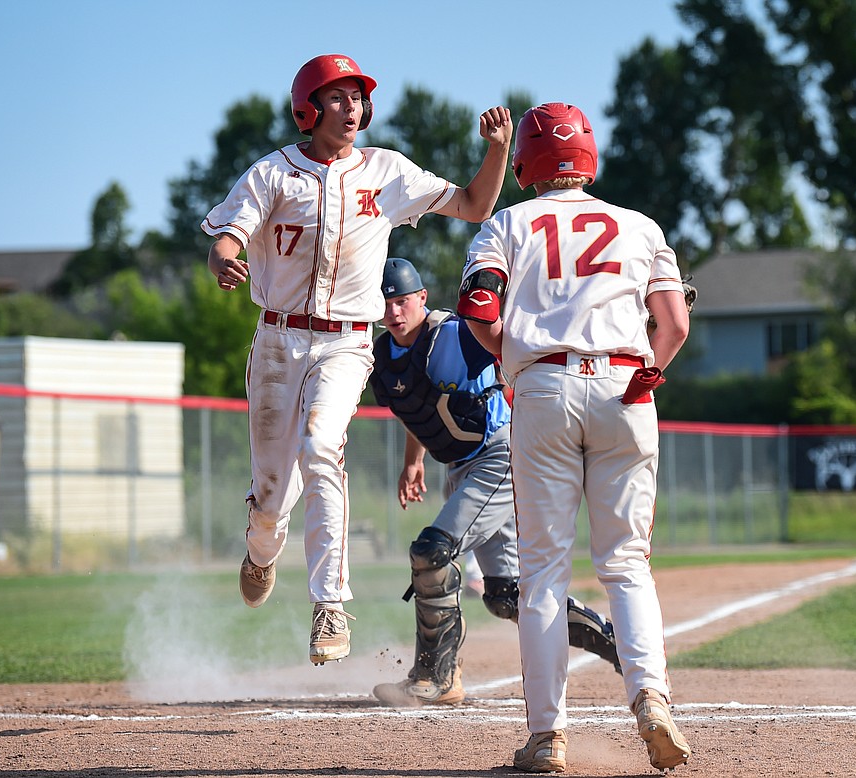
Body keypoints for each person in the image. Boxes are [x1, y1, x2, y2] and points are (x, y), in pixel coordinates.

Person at [202, 53, 512, 667]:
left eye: (358, 98)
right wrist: (222, 258)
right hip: (277, 340)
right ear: (308, 109)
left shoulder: (387, 171)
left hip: (347, 340)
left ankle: (330, 604)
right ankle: (261, 550)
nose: (352, 109)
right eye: (338, 98)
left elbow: (476, 206)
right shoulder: (272, 174)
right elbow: (228, 234)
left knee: (322, 449)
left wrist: (498, 149)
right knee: (270, 493)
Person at [458, 103, 693, 772]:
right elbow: (672, 325)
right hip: (626, 386)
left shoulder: (508, 222)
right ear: (589, 158)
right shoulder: (640, 226)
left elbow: (478, 308)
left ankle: (548, 737)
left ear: (528, 162)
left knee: (543, 576)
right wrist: (651, 371)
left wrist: (516, 359)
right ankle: (651, 697)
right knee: (626, 564)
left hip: (544, 389)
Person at [368, 257, 623, 707]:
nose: (393, 311)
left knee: (433, 553)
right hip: (461, 467)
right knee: (506, 595)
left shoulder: (452, 336)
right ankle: (619, 644)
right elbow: (418, 408)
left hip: (499, 455)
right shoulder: (383, 358)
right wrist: (414, 461)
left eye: (402, 300)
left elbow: (514, 331)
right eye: (385, 302)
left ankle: (437, 676)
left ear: (422, 299)